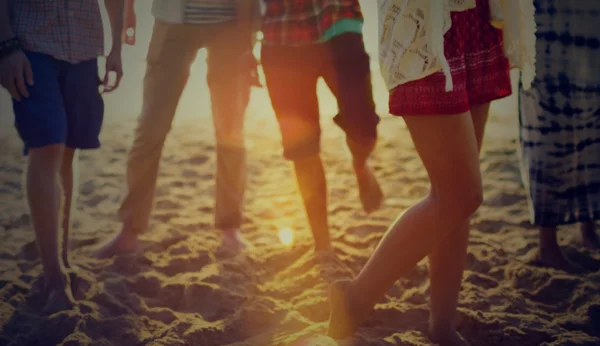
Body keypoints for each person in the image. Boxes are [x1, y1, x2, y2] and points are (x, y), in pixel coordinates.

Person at [327, 0, 536, 344]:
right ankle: (355, 297)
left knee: (455, 195)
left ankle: (441, 323)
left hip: (477, 23)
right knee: (459, 194)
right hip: (425, 31)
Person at [94, 0, 261, 257]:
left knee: (231, 130)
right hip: (172, 20)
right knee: (150, 127)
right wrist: (128, 9)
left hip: (232, 23)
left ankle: (230, 228)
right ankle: (129, 229)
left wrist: (246, 41)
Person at [0, 0, 124, 313]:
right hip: (30, 44)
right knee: (47, 147)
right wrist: (6, 47)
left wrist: (116, 49)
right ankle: (54, 277)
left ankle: (63, 258)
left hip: (83, 47)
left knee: (68, 151)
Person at [260, 0, 383, 255]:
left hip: (338, 20)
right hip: (281, 35)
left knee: (364, 127)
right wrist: (241, 45)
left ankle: (360, 164)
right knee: (302, 147)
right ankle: (323, 245)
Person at [519, 0, 600, 272]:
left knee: (595, 115)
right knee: (548, 122)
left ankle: (588, 226)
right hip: (544, 15)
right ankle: (547, 243)